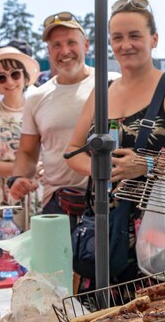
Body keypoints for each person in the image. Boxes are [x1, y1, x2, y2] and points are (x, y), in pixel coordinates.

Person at [65, 0, 165, 287]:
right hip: (104, 231)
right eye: (117, 37)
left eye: (135, 36)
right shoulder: (102, 92)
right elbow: (72, 152)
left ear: (154, 39)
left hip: (161, 234)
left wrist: (146, 164)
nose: (125, 45)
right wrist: (102, 170)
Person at [8, 12, 111, 228]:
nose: (64, 51)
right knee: (56, 263)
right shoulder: (36, 96)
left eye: (71, 42)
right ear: (48, 50)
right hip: (58, 204)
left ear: (86, 44)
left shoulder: (112, 83)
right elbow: (27, 151)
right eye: (56, 45)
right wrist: (17, 178)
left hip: (111, 200)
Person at [0, 46, 41, 212]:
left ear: (25, 77)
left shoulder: (38, 109)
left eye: (15, 74)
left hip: (35, 192)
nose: (10, 81)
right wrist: (23, 170)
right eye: (2, 78)